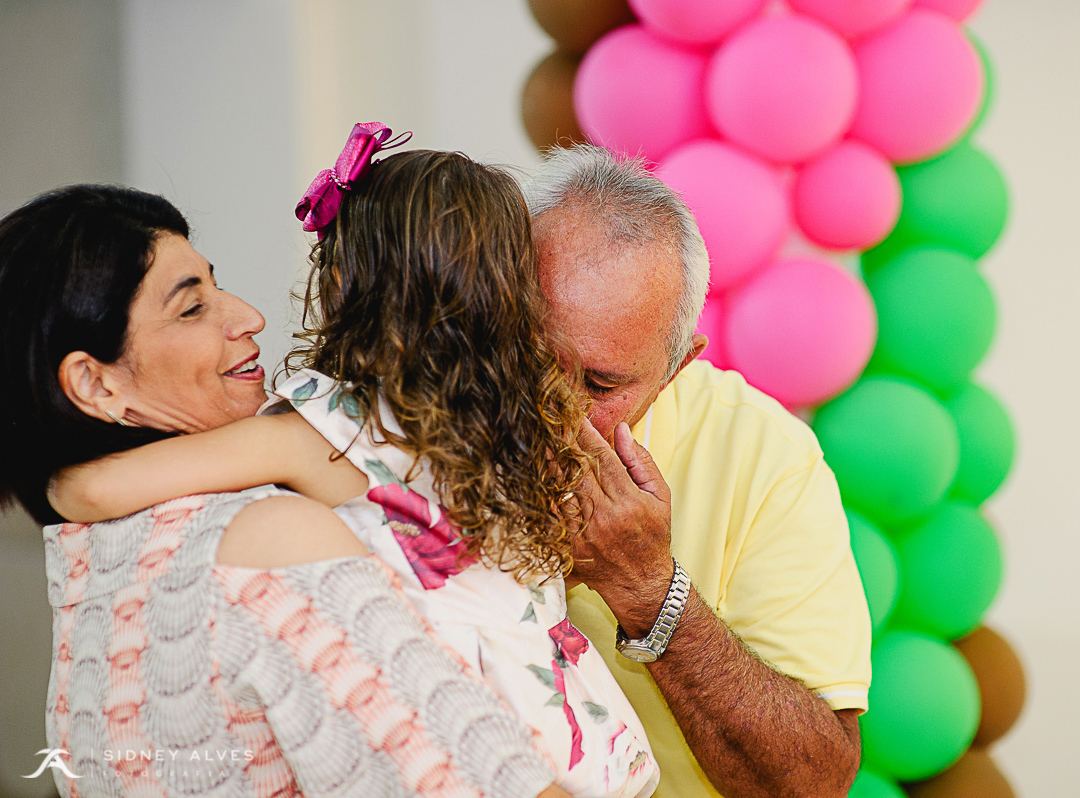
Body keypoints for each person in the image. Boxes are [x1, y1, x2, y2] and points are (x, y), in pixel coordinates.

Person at [47, 131, 658, 798]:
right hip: (583, 734)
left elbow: (104, 489)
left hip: (484, 730)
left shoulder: (325, 428)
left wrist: (52, 476)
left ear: (341, 282)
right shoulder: (526, 421)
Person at [523, 144, 873, 798]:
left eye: (601, 384)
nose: (556, 408)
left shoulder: (762, 453)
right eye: (530, 358)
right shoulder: (432, 402)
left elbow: (813, 783)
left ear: (677, 366)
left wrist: (651, 593)